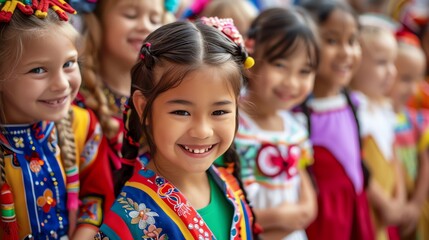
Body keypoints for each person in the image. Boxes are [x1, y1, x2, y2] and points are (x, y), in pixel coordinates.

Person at [95, 17, 259, 240]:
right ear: (144, 108)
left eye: (219, 112)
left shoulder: (228, 182)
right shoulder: (129, 217)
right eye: (182, 112)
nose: (202, 131)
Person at [0, 2, 114, 239]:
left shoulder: (82, 126)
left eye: (69, 64)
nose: (62, 84)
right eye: (39, 70)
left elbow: (96, 198)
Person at [233, 7, 317, 240]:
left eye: (304, 71)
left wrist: (307, 209)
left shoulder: (296, 126)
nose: (291, 82)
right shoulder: (231, 122)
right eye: (280, 65)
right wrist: (274, 218)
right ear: (251, 58)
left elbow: (301, 175)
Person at [71, 0, 180, 172]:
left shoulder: (170, 97)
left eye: (154, 19)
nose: (145, 26)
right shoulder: (74, 100)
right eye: (131, 15)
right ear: (97, 20)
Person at [297, 0, 375, 239]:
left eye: (352, 41)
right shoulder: (296, 115)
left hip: (354, 214)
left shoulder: (354, 103)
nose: (346, 52)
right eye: (332, 41)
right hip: (321, 223)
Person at [349, 15, 406, 240]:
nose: (392, 72)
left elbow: (394, 157)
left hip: (388, 211)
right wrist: (384, 203)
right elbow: (357, 163)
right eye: (382, 63)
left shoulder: (384, 108)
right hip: (370, 208)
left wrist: (399, 199)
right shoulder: (355, 109)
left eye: (393, 63)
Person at [389, 31, 429, 240]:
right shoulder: (374, 122)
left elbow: (425, 164)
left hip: (413, 206)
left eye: (417, 80)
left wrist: (416, 204)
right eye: (405, 79)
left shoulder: (416, 122)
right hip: (389, 206)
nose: (413, 89)